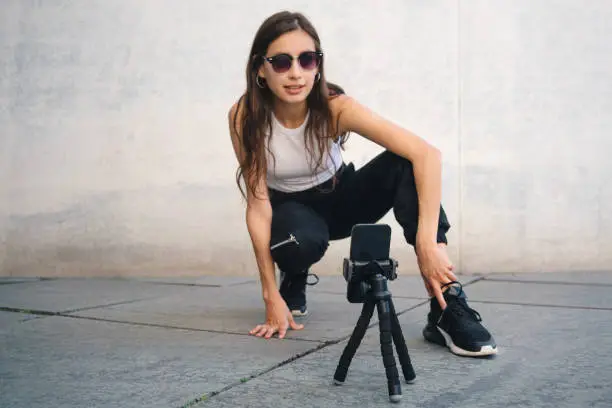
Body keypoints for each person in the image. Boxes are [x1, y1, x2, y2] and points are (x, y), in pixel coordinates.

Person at [228, 10, 497, 357]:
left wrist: (428, 241)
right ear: (260, 68)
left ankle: (447, 306)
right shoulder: (244, 116)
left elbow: (427, 155)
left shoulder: (336, 107)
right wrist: (270, 295)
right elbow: (258, 204)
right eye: (281, 62)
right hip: (291, 212)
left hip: (340, 196)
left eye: (307, 60)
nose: (296, 73)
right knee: (298, 241)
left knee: (404, 162)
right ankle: (292, 275)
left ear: (318, 65)